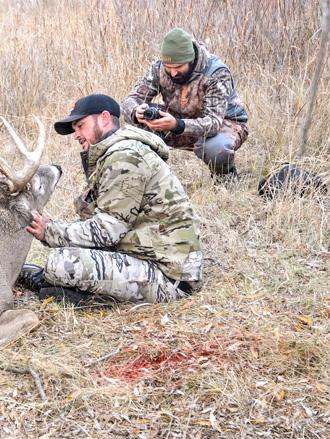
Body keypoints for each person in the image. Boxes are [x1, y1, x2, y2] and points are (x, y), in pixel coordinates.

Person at [17, 94, 203, 304]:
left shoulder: (126, 157)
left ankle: (76, 293)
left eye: (80, 125)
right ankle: (70, 290)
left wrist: (49, 230)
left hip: (170, 277)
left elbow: (107, 231)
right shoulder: (116, 153)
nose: (76, 135)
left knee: (62, 263)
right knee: (69, 254)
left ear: (104, 119)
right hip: (149, 257)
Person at [121, 28, 248, 178]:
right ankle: (153, 176)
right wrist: (136, 111)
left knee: (216, 147)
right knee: (140, 120)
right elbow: (129, 100)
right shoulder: (158, 68)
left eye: (178, 67)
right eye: (169, 67)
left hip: (224, 124)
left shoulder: (216, 73)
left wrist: (177, 125)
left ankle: (226, 177)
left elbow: (213, 123)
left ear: (191, 59)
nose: (173, 73)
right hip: (177, 120)